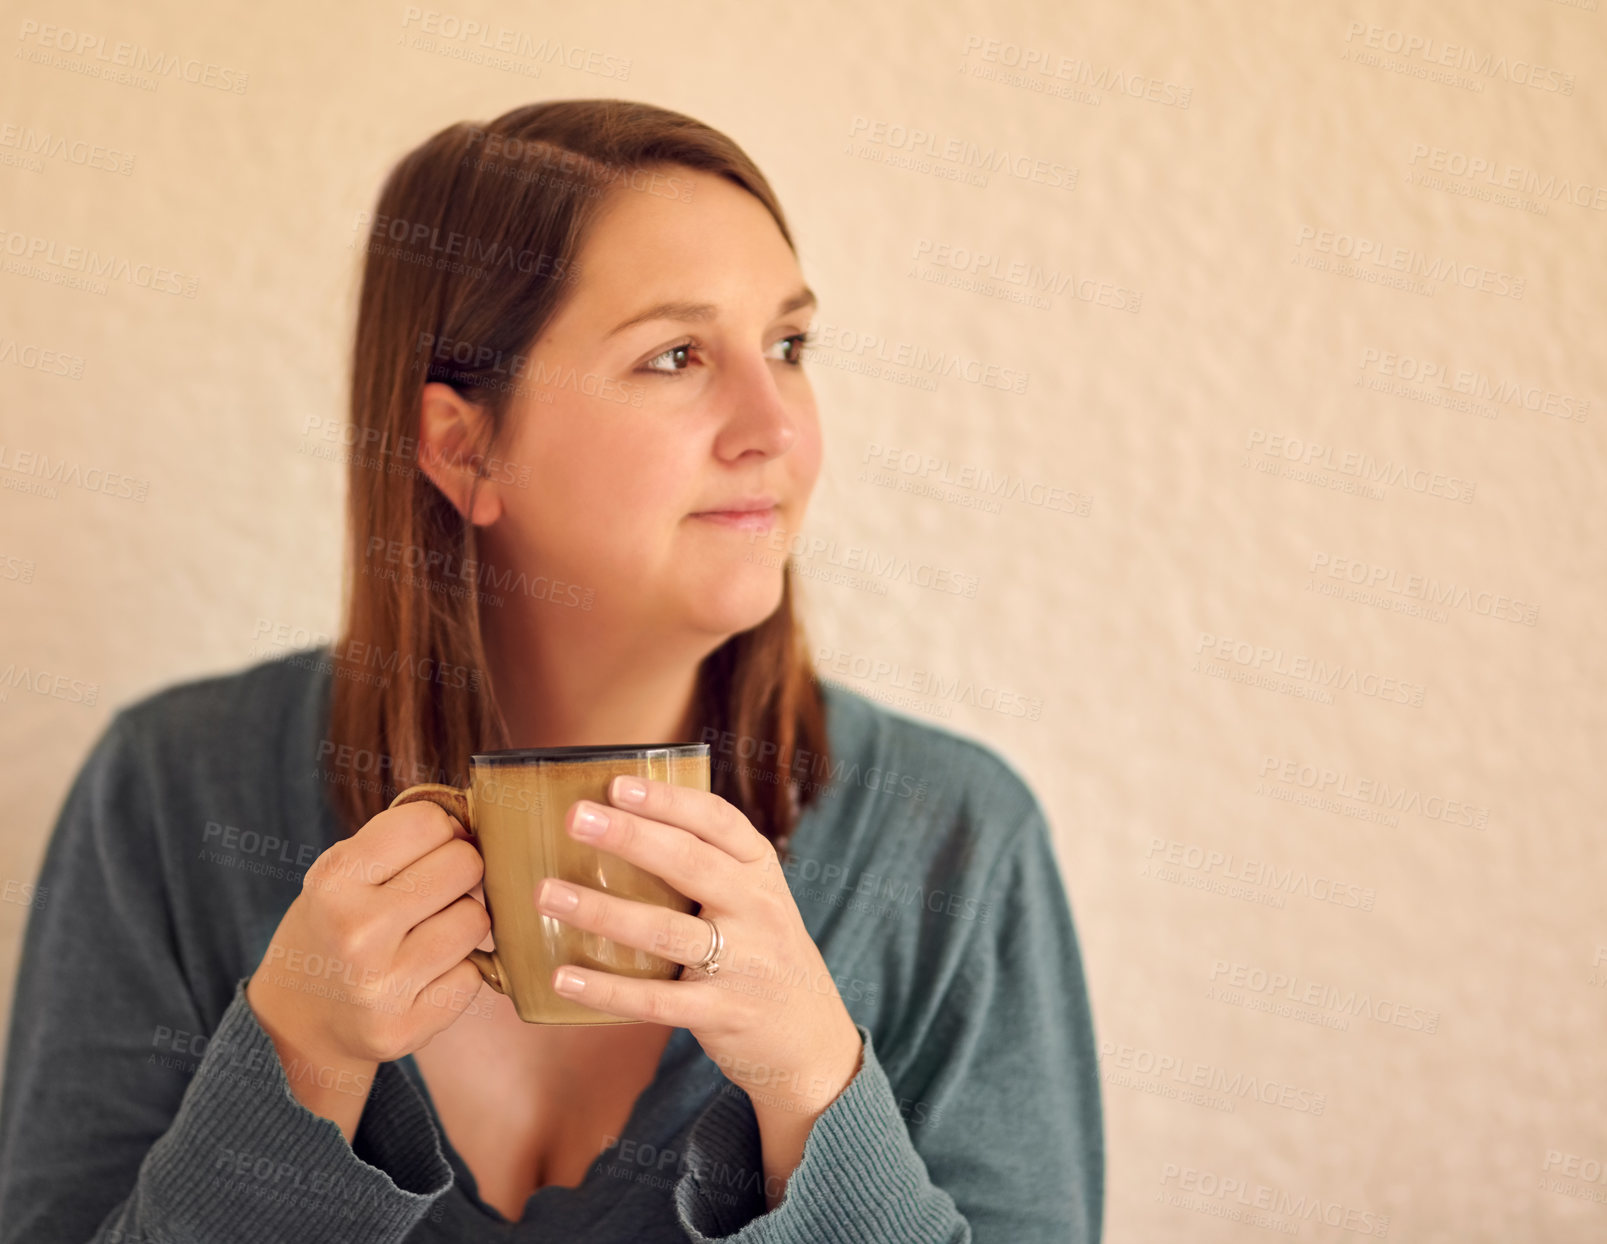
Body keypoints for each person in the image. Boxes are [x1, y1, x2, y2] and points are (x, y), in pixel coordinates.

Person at [0, 99, 1103, 1242]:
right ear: (462, 446)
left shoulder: (960, 843)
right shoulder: (169, 798)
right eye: (676, 355)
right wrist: (300, 1057)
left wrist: (815, 1092)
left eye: (788, 346)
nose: (774, 426)